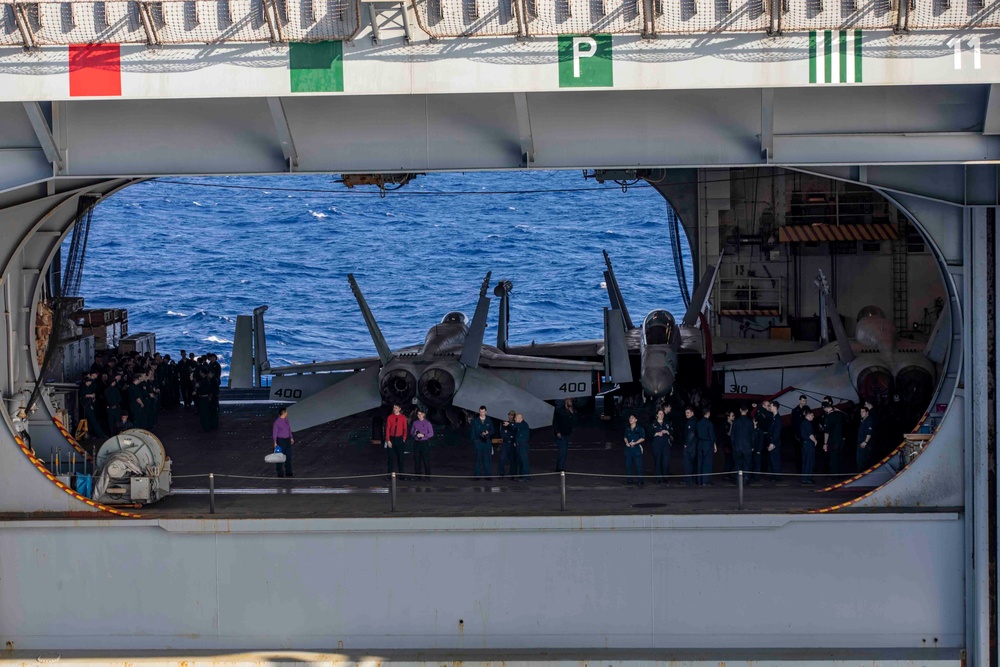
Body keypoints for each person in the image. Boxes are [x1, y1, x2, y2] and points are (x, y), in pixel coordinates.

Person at [470, 405, 495, 480]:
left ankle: (488, 476)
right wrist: (475, 442)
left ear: (485, 412)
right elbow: (473, 432)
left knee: (487, 459)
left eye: (483, 412)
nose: (482, 413)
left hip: (487, 442)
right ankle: (478, 476)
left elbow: (493, 430)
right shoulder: (475, 421)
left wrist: (488, 433)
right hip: (478, 442)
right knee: (478, 460)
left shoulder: (489, 421)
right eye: (480, 412)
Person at [731, 405, 754, 482]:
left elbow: (732, 435)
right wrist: (753, 445)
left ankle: (738, 480)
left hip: (737, 446)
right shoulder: (750, 421)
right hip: (747, 446)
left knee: (737, 464)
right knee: (747, 464)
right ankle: (746, 479)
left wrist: (733, 445)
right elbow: (752, 435)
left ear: (740, 410)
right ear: (747, 410)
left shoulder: (736, 421)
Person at [552, 398, 577, 472]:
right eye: (569, 401)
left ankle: (560, 466)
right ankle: (559, 468)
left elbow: (575, 421)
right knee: (562, 451)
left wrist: (572, 413)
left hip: (567, 433)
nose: (570, 402)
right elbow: (555, 422)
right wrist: (557, 432)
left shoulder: (572, 411)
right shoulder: (559, 411)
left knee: (565, 451)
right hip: (561, 433)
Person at [650, 407, 673, 483]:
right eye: (659, 414)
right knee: (657, 460)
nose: (661, 415)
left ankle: (666, 478)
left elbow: (672, 432)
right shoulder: (653, 423)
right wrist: (656, 433)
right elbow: (649, 433)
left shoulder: (667, 423)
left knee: (666, 460)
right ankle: (658, 478)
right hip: (656, 444)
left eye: (662, 413)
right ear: (657, 415)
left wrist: (667, 432)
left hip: (665, 444)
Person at [410, 408, 434, 480]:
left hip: (424, 443)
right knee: (417, 460)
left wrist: (423, 435)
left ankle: (427, 477)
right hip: (417, 443)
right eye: (418, 414)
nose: (419, 416)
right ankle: (417, 476)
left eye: (421, 414)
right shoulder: (415, 423)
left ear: (424, 415)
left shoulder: (427, 423)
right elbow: (411, 432)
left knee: (426, 460)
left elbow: (431, 433)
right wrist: (415, 434)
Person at [823, 401, 846, 475]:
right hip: (840, 439)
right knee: (840, 457)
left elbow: (827, 432)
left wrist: (825, 443)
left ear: (825, 408)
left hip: (833, 440)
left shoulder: (829, 417)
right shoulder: (839, 414)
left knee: (833, 458)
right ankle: (840, 473)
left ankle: (834, 474)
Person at [695, 407, 717, 485]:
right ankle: (705, 480)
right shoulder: (709, 424)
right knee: (707, 462)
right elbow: (712, 435)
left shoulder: (698, 423)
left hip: (700, 443)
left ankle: (699, 480)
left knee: (700, 462)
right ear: (708, 413)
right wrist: (714, 444)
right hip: (707, 443)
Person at [384, 404, 408, 476]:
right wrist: (388, 440)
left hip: (399, 439)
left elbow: (405, 429)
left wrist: (404, 438)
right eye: (394, 408)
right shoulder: (390, 417)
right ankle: (389, 474)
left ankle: (401, 475)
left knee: (400, 458)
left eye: (396, 408)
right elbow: (387, 429)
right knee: (390, 458)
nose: (394, 409)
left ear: (399, 409)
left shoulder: (403, 418)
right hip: (391, 439)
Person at [623, 413, 645, 486]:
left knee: (638, 465)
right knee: (628, 465)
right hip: (629, 448)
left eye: (632, 418)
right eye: (630, 418)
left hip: (636, 448)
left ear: (636, 420)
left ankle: (640, 480)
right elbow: (625, 436)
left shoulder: (639, 428)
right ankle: (629, 480)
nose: (630, 419)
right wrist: (626, 442)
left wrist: (635, 443)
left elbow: (642, 438)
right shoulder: (627, 428)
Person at [272, 406, 294, 478]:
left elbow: (289, 429)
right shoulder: (277, 422)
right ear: (283, 413)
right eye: (286, 411)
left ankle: (289, 472)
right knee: (280, 457)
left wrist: (291, 437)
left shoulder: (286, 420)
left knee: (288, 456)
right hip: (280, 440)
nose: (287, 413)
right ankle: (280, 473)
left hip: (287, 440)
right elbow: (275, 432)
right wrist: (275, 442)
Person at [499, 410, 519, 480]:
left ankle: (513, 474)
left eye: (511, 415)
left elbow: (515, 431)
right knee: (502, 459)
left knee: (513, 460)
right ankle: (501, 474)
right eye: (509, 415)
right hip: (505, 443)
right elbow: (503, 433)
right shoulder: (505, 424)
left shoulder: (515, 424)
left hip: (512, 444)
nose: (510, 417)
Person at [800, 409, 817, 484]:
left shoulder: (802, 423)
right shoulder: (808, 423)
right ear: (809, 415)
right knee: (809, 461)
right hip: (809, 444)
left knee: (805, 461)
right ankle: (807, 478)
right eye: (812, 415)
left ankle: (804, 477)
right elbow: (810, 434)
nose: (813, 417)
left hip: (804, 443)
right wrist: (815, 441)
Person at [856, 405, 875, 471]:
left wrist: (865, 442)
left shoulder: (869, 420)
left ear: (867, 412)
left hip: (865, 444)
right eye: (861, 412)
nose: (861, 413)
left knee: (863, 460)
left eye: (863, 412)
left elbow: (869, 432)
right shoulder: (863, 420)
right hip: (861, 442)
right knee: (860, 459)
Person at [767, 401, 782, 482]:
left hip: (775, 443)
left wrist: (772, 443)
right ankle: (775, 475)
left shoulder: (777, 419)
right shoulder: (774, 418)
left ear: (775, 407)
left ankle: (777, 477)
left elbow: (776, 432)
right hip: (772, 441)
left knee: (775, 460)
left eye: (771, 406)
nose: (769, 407)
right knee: (773, 460)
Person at [683, 406, 698, 485]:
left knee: (688, 463)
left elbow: (691, 434)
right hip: (694, 446)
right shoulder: (695, 421)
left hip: (690, 446)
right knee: (693, 463)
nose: (686, 414)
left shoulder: (691, 422)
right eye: (686, 413)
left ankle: (688, 480)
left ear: (692, 413)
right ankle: (693, 479)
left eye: (688, 413)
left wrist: (686, 444)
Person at [513, 413, 530, 481]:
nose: (514, 419)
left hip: (523, 446)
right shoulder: (520, 426)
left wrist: (509, 424)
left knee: (524, 461)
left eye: (516, 418)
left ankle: (526, 477)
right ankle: (521, 475)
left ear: (520, 418)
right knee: (520, 461)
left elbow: (516, 426)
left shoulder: (524, 424)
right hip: (519, 445)